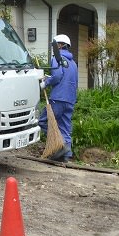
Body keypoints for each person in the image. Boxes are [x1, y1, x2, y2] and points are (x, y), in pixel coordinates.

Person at [39, 34, 78, 162]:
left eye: (54, 45)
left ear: (59, 45)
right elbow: (73, 81)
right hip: (70, 100)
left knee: (43, 121)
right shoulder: (73, 63)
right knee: (65, 126)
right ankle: (66, 155)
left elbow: (57, 76)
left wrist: (46, 83)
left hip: (58, 98)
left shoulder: (57, 58)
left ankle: (58, 145)